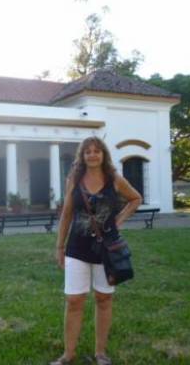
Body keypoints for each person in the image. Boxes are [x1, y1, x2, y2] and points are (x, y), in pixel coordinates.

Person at [51, 137, 142, 365]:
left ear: (103, 155)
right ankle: (68, 355)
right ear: (82, 156)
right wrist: (60, 246)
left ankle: (100, 353)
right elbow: (67, 214)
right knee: (74, 300)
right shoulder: (74, 179)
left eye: (97, 151)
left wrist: (118, 221)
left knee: (103, 299)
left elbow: (135, 198)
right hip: (77, 248)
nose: (92, 155)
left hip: (106, 249)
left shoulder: (114, 179)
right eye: (88, 152)